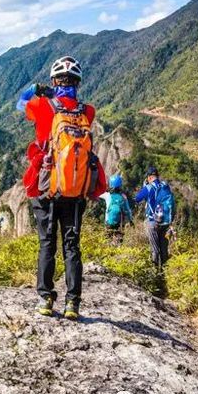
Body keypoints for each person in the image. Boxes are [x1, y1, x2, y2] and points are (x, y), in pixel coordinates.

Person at [17, 55, 107, 321]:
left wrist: (36, 89)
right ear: (77, 83)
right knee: (72, 246)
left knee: (47, 243)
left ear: (54, 82)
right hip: (75, 190)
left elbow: (19, 103)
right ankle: (72, 303)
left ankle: (45, 298)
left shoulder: (42, 105)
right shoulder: (87, 111)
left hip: (46, 187)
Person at [134, 166, 176, 268]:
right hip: (165, 222)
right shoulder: (165, 186)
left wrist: (144, 187)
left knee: (155, 249)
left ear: (149, 177)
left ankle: (155, 271)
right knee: (164, 249)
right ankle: (165, 272)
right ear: (157, 176)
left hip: (153, 222)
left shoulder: (149, 187)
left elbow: (137, 198)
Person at [100, 174, 133, 245]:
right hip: (120, 223)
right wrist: (130, 221)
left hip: (108, 222)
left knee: (108, 241)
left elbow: (98, 194)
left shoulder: (107, 195)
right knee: (118, 243)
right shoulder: (123, 196)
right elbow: (128, 210)